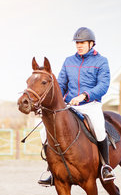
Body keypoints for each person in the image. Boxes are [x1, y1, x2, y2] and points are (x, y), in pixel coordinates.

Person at [38, 27, 115, 186]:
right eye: (77, 43)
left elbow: (103, 85)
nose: (79, 45)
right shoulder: (69, 61)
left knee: (100, 129)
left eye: (82, 43)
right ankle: (51, 170)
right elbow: (61, 85)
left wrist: (85, 95)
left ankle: (105, 167)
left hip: (90, 105)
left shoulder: (101, 61)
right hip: (69, 106)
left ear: (91, 43)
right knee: (43, 132)